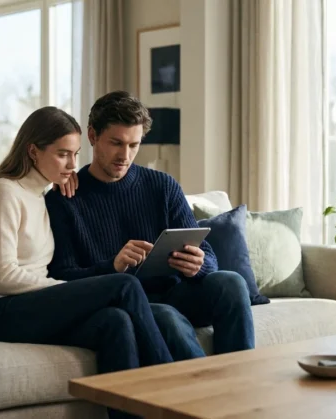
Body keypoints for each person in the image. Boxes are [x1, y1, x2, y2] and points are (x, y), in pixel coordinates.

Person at [0, 106, 173, 419]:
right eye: (63, 155)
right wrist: (64, 287)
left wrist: (60, 182)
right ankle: (175, 388)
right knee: (124, 284)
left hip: (28, 306)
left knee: (115, 322)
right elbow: (3, 278)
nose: (73, 165)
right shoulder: (3, 193)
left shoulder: (42, 195)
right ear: (33, 151)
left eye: (75, 154)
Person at [45, 91, 255, 357]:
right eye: (116, 143)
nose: (125, 155)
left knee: (232, 282)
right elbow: (61, 277)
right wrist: (113, 266)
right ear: (92, 136)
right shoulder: (65, 198)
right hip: (129, 304)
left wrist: (199, 265)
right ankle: (204, 394)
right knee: (167, 318)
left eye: (134, 145)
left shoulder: (162, 186)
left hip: (177, 292)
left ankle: (242, 381)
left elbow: (209, 257)